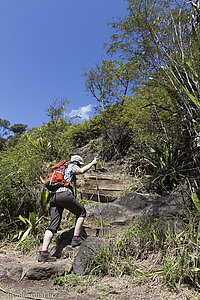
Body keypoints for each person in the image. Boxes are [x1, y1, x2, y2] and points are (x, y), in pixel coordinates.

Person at [38, 155, 97, 262]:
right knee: (81, 212)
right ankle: (75, 238)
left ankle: (43, 253)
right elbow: (81, 171)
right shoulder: (72, 166)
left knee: (52, 226)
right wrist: (92, 163)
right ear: (77, 162)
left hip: (53, 196)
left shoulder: (61, 169)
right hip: (64, 194)